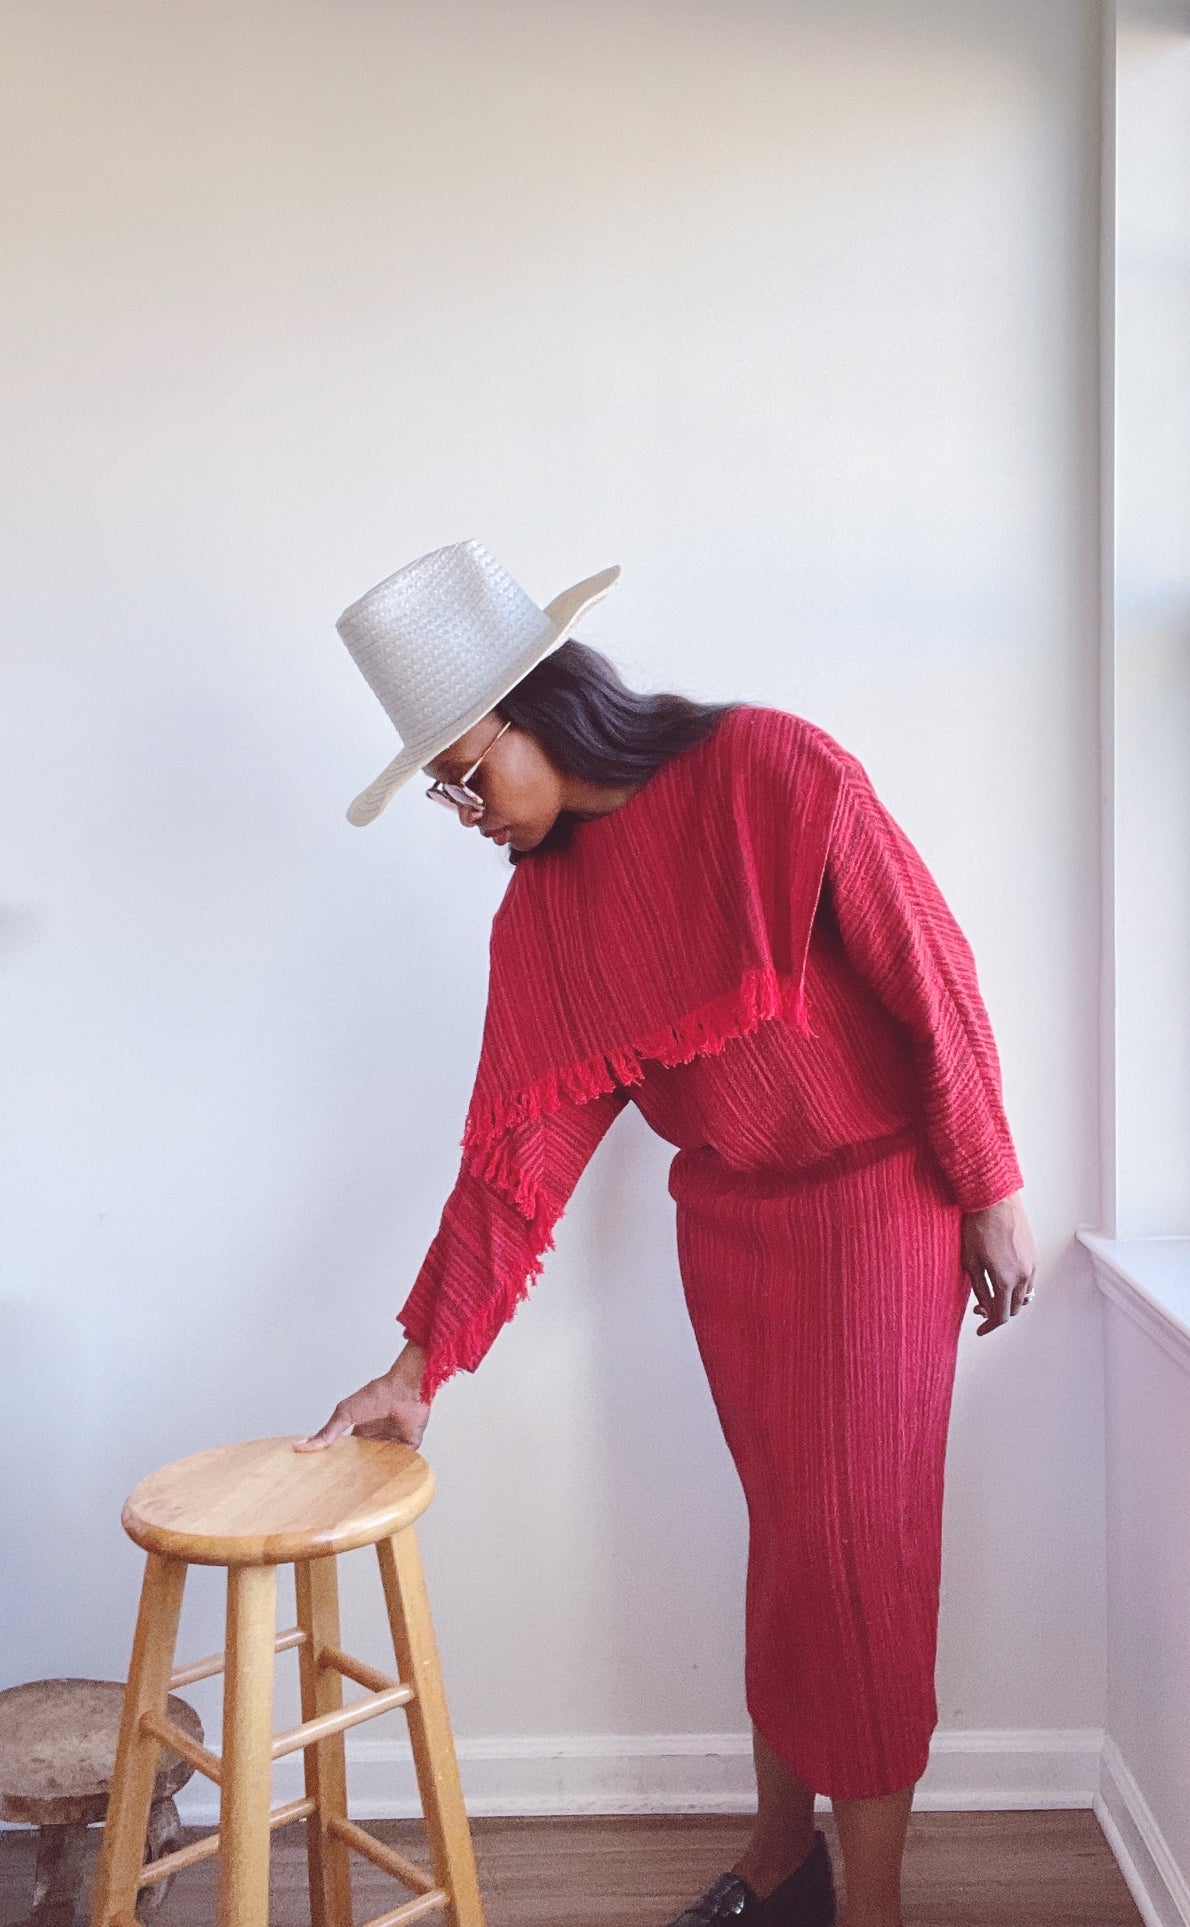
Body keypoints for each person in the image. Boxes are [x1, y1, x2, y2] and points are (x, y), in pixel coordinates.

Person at [299, 539, 1037, 1927]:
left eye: (463, 771)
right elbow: (511, 1164)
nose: (460, 809)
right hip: (735, 1237)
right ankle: (782, 1857)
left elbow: (925, 971)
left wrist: (988, 1182)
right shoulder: (545, 923)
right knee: (791, 1548)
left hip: (880, 1209)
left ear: (544, 700)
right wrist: (415, 1367)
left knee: (859, 1562)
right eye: (441, 791)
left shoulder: (770, 770)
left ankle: (868, 1907)